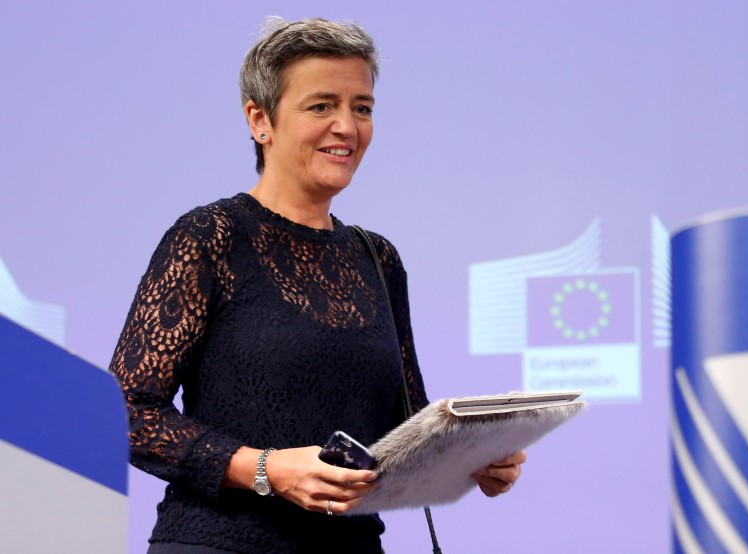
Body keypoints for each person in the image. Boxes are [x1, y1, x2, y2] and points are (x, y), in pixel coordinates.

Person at [110, 17, 526, 554]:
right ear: (260, 121)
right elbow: (125, 413)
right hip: (219, 545)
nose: (347, 127)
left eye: (362, 107)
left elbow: (403, 425)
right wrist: (266, 469)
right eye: (321, 106)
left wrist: (472, 455)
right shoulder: (210, 237)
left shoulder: (377, 257)